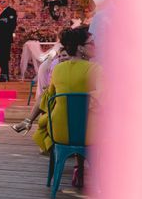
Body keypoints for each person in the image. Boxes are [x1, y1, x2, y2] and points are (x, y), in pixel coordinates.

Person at [32, 26, 99, 185]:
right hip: (88, 133)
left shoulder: (58, 69)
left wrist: (30, 119)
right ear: (81, 48)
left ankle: (76, 170)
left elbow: (48, 97)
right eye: (92, 43)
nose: (95, 46)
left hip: (59, 132)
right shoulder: (96, 69)